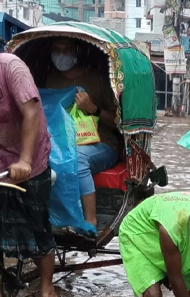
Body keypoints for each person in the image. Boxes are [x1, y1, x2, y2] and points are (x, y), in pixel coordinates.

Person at [0, 53, 59, 297]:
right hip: (2, 159)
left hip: (30, 158)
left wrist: (24, 160)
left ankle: (48, 290)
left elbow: (31, 112)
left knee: (37, 229)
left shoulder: (12, 68)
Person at [45, 37, 120, 228]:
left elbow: (118, 123)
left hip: (102, 144)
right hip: (60, 143)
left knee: (76, 159)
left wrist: (93, 108)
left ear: (77, 51)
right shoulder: (49, 80)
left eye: (66, 50)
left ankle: (90, 221)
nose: (61, 54)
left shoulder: (98, 80)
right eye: (57, 49)